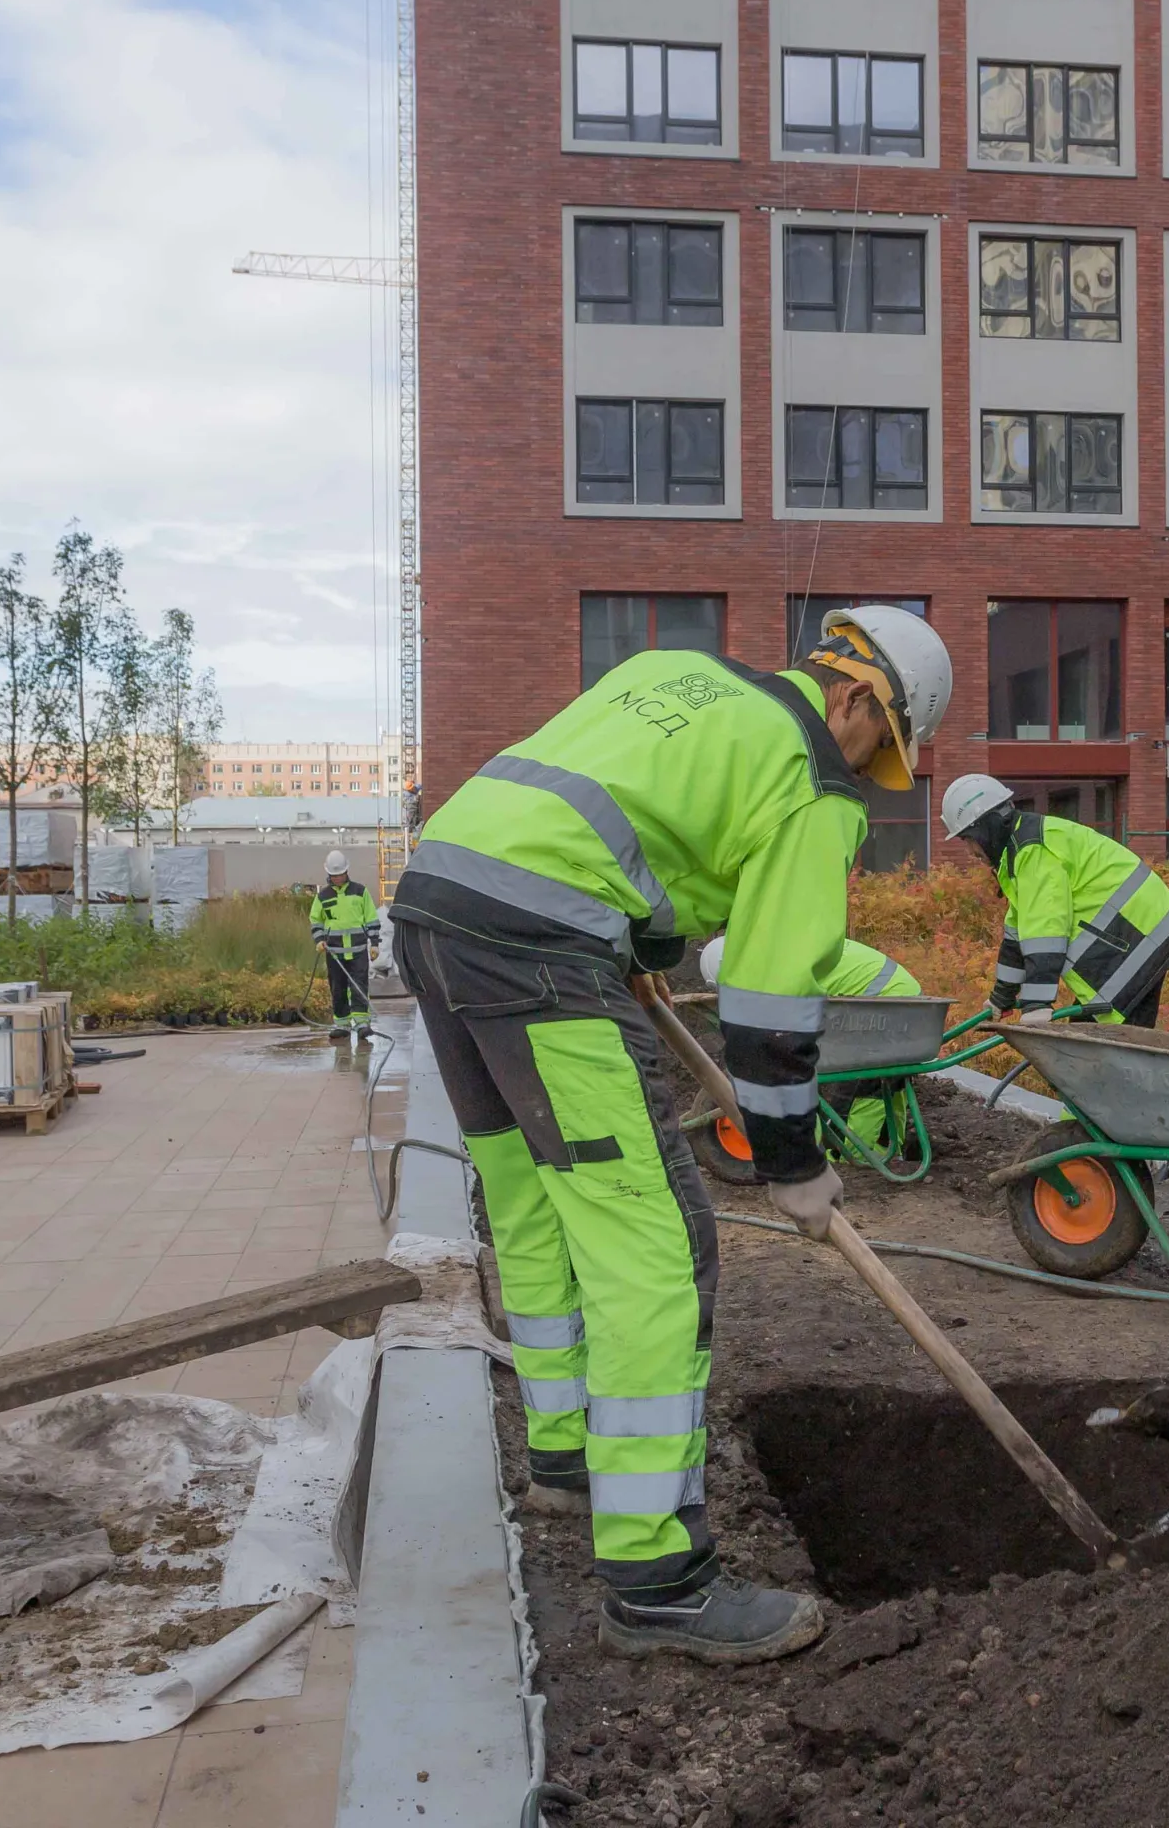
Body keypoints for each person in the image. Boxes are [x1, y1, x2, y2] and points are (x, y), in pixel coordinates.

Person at [386, 606, 952, 1663]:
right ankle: (658, 1579)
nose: (872, 768)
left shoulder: (681, 674)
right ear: (860, 702)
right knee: (657, 1249)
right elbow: (775, 992)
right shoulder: (809, 780)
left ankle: (565, 1461)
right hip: (539, 945)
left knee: (536, 1200)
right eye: (883, 745)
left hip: (436, 900)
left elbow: (619, 812)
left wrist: (635, 938)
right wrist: (795, 1164)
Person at [937, 775, 1169, 1028]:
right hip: (1137, 934)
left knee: (1112, 1041)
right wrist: (1002, 997)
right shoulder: (1018, 853)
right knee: (1093, 1035)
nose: (970, 852)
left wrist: (1037, 1005)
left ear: (987, 829)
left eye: (968, 840)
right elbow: (1017, 936)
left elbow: (1046, 930)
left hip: (1139, 935)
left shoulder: (1032, 850)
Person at [699, 933, 920, 1160]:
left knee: (863, 1088)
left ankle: (854, 1160)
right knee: (889, 1082)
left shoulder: (781, 971)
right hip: (897, 1000)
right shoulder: (780, 953)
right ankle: (886, 1152)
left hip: (888, 1006)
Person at [309, 851, 377, 1038]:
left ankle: (362, 1023)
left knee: (359, 986)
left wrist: (375, 944)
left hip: (358, 950)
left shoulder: (360, 892)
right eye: (334, 875)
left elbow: (371, 918)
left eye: (340, 874)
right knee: (338, 988)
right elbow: (316, 920)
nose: (338, 878)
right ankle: (342, 1024)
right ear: (329, 874)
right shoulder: (323, 896)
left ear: (347, 871)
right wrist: (319, 940)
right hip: (334, 952)